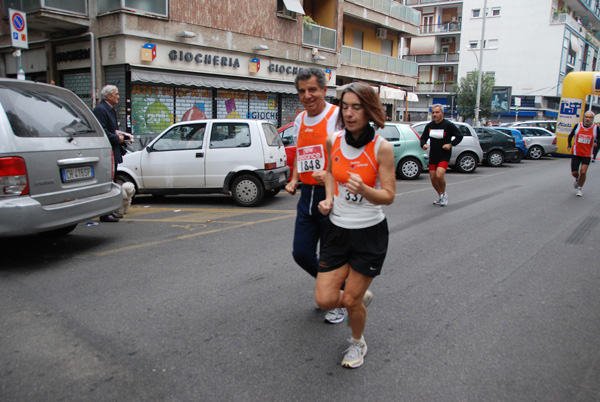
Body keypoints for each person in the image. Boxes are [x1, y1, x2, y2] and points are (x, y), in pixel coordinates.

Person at [316, 82, 396, 368]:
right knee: (325, 299)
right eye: (345, 107)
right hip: (337, 230)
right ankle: (360, 298)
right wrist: (328, 199)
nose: (349, 113)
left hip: (369, 233)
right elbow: (329, 172)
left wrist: (365, 190)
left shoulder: (382, 148)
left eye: (356, 107)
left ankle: (357, 342)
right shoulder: (333, 140)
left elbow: (388, 196)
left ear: (369, 110)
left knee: (350, 300)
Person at [284, 68, 344, 324]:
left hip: (333, 194)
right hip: (307, 194)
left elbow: (348, 155)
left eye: (312, 89)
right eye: (302, 91)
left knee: (332, 254)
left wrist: (330, 173)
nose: (307, 96)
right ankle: (334, 291)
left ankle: (336, 300)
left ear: (324, 89)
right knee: (302, 253)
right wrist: (295, 178)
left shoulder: (337, 116)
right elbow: (301, 151)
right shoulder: (299, 119)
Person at [93, 85, 127, 222]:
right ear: (108, 95)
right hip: (108, 151)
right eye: (116, 94)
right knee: (108, 182)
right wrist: (116, 138)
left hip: (114, 150)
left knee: (113, 181)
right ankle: (105, 213)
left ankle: (111, 211)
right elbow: (102, 131)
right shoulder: (101, 110)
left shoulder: (110, 109)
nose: (118, 96)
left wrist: (123, 136)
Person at [420, 104, 463, 206]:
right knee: (433, 178)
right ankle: (440, 196)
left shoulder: (448, 125)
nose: (435, 114)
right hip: (433, 154)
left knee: (439, 175)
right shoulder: (429, 126)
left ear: (442, 113)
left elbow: (459, 136)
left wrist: (451, 144)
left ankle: (444, 194)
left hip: (444, 154)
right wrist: (424, 145)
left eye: (437, 112)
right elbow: (423, 138)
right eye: (433, 112)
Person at [567, 110, 600, 197]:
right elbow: (570, 135)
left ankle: (580, 189)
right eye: (586, 117)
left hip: (587, 154)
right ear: (584, 117)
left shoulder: (596, 128)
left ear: (593, 119)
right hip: (576, 153)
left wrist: (597, 143)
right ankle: (577, 179)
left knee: (583, 171)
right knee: (574, 172)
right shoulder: (578, 126)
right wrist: (569, 145)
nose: (588, 119)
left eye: (590, 117)